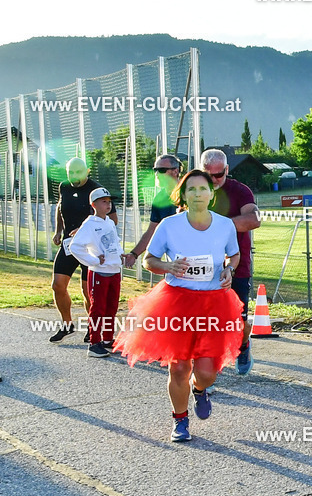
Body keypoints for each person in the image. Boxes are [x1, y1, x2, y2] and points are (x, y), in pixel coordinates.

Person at [114, 170, 242, 442]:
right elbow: (150, 259)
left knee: (206, 373)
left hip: (214, 303)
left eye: (202, 188)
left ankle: (200, 390)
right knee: (180, 367)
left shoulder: (224, 225)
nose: (197, 194)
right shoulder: (169, 225)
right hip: (177, 301)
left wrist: (229, 270)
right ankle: (180, 421)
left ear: (211, 193)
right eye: (191, 189)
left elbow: (234, 255)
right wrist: (168, 266)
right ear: (183, 195)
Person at [201, 149, 260, 375]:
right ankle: (208, 366)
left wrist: (219, 225)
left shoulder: (239, 190)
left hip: (237, 264)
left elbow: (253, 220)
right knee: (206, 319)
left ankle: (243, 344)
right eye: (209, 175)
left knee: (238, 319)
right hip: (203, 266)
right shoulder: (195, 190)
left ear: (226, 170)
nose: (214, 180)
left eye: (219, 175)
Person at [48, 157, 118, 344]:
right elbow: (59, 206)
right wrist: (58, 230)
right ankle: (67, 324)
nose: (74, 177)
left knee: (89, 292)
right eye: (70, 173)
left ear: (87, 171)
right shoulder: (64, 186)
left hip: (91, 247)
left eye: (78, 172)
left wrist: (85, 229)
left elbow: (113, 220)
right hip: (70, 245)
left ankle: (92, 329)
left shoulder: (98, 191)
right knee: (57, 285)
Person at [68, 187, 124, 358]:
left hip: (114, 271)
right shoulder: (89, 224)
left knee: (111, 307)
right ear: (94, 204)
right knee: (98, 308)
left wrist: (122, 255)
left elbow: (114, 242)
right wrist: (93, 260)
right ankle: (94, 343)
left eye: (109, 201)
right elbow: (75, 247)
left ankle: (107, 339)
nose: (108, 205)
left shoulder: (109, 222)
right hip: (99, 273)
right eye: (103, 201)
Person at [124, 155, 181, 268]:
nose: (157, 174)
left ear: (176, 171)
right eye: (155, 170)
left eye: (161, 170)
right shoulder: (159, 199)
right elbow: (152, 231)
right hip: (174, 262)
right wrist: (134, 254)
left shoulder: (189, 193)